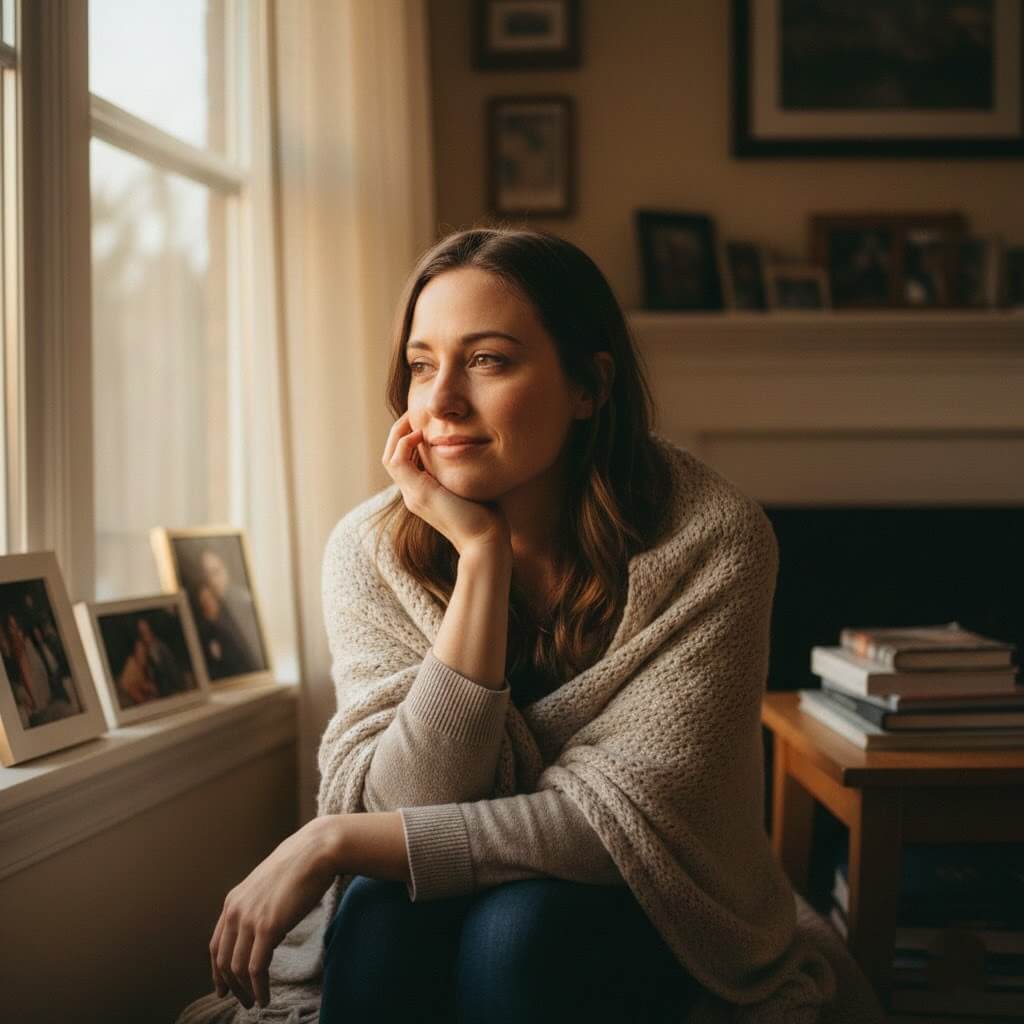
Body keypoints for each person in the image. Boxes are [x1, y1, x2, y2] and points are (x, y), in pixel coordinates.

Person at [181, 229, 855, 1024]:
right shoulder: (371, 550)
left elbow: (627, 831)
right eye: (423, 365)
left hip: (658, 908)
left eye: (489, 360)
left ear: (589, 385)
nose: (440, 403)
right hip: (430, 903)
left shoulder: (711, 538)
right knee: (377, 916)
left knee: (516, 930)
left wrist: (330, 841)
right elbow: (409, 797)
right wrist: (481, 556)